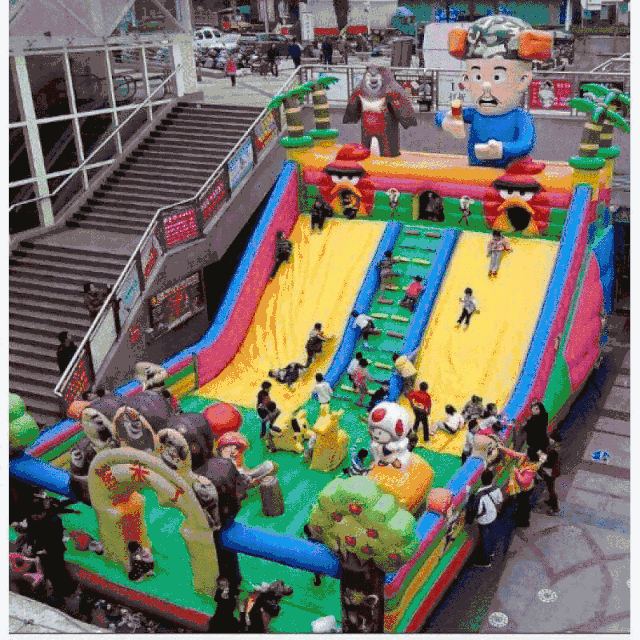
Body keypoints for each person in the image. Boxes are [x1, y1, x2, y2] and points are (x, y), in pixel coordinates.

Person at [436, 16, 551, 168]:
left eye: (497, 77)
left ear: (523, 81)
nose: (485, 86)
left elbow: (525, 143)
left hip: (506, 174)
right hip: (475, 172)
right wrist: (446, 121)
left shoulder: (520, 117)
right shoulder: (475, 114)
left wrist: (502, 149)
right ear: (466, 80)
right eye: (477, 77)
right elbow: (441, 114)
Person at [501, 445, 546, 528]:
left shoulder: (531, 468)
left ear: (529, 456)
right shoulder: (526, 457)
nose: (524, 452)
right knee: (522, 503)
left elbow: (524, 480)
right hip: (523, 487)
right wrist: (502, 448)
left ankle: (524, 522)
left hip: (526, 489)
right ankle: (520, 515)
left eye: (526, 452)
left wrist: (516, 471)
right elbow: (514, 454)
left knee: (523, 505)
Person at [470, 470, 504, 568]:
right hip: (493, 516)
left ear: (481, 480)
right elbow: (499, 501)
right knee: (492, 534)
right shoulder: (496, 489)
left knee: (484, 539)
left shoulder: (478, 495)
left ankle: (486, 561)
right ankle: (491, 551)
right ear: (491, 479)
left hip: (483, 521)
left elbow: (478, 511)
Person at [537, 433, 561, 515]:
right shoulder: (555, 449)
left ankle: (555, 508)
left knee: (551, 489)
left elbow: (548, 461)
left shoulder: (554, 452)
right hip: (552, 471)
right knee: (550, 487)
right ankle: (551, 501)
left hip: (550, 472)